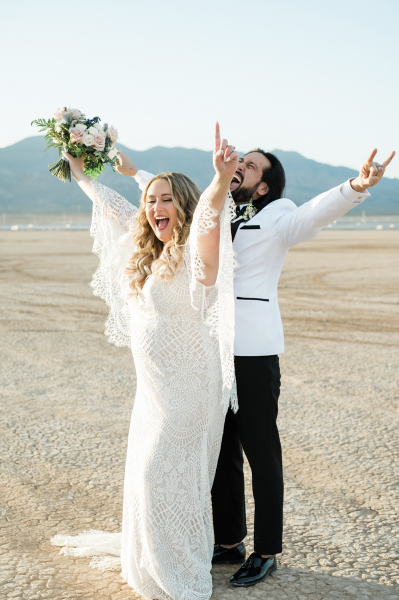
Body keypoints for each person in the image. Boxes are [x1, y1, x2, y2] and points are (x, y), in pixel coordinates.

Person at [121, 136, 395, 587]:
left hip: (253, 352)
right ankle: (229, 541)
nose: (239, 166)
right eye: (238, 161)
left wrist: (356, 186)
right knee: (220, 448)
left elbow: (315, 213)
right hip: (209, 354)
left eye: (249, 165)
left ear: (263, 186)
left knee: (261, 452)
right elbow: (174, 194)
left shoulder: (278, 218)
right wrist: (135, 173)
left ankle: (267, 549)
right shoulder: (212, 213)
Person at [51, 127, 239, 600]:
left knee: (160, 475)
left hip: (190, 389)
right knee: (144, 475)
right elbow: (113, 205)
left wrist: (219, 179)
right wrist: (81, 174)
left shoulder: (197, 252)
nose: (156, 208)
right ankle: (153, 561)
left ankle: (177, 569)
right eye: (152, 200)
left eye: (167, 200)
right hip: (154, 392)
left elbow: (209, 218)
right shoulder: (149, 251)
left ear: (185, 205)